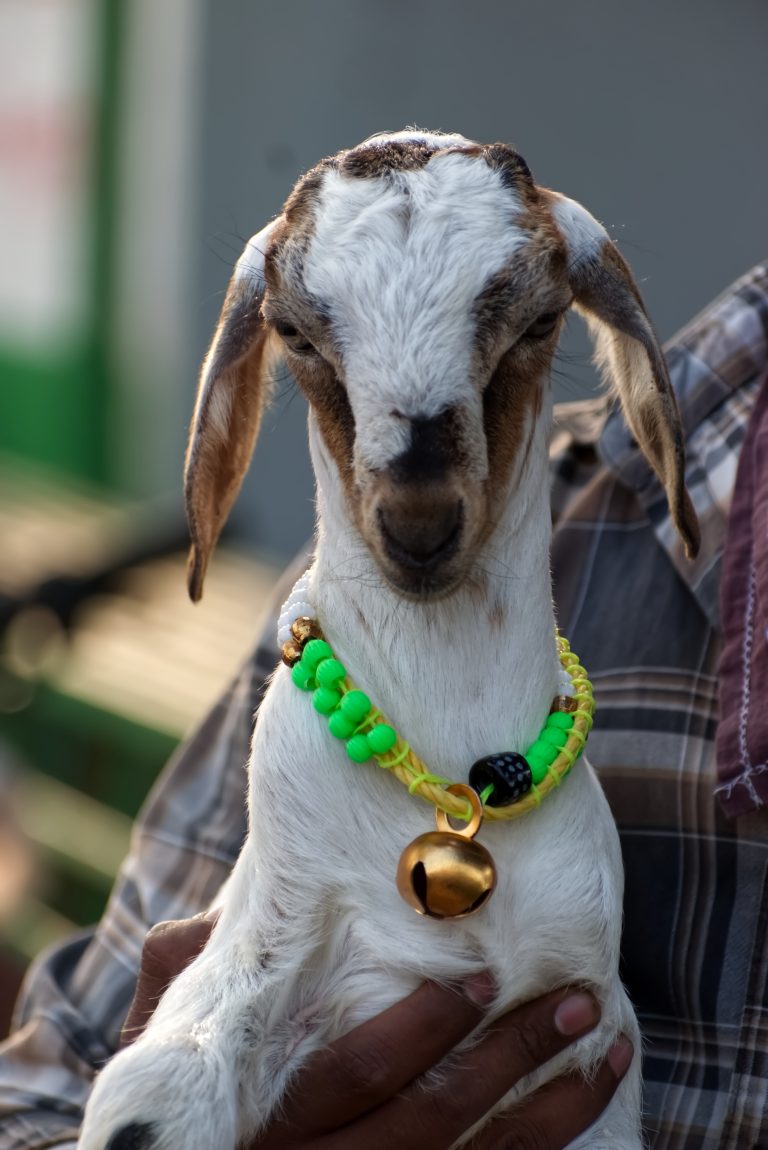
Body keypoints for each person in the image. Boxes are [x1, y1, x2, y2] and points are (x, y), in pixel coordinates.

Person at [1, 264, 766, 1149]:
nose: (411, 493)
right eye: (309, 346)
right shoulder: (351, 623)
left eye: (519, 333)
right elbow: (46, 1089)